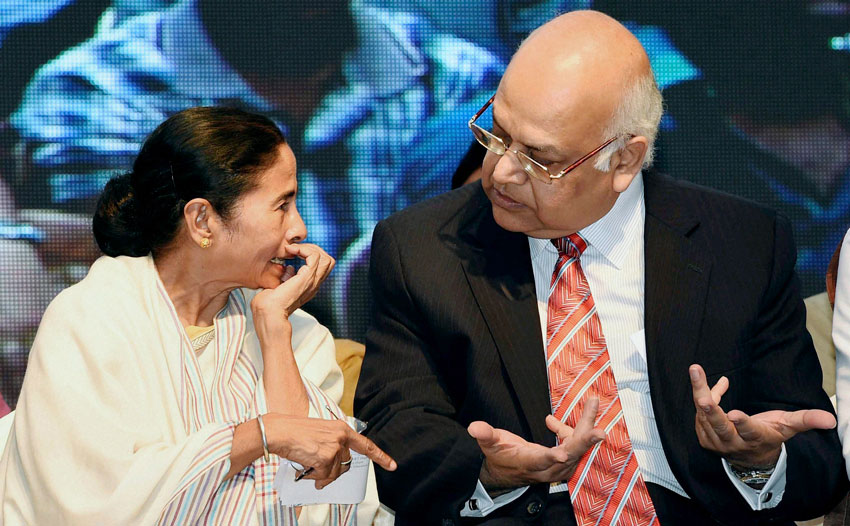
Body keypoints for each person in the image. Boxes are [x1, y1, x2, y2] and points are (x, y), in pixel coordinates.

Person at [355, 10, 847, 525]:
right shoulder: (421, 248)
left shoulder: (742, 243)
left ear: (624, 160)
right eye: (496, 133)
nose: (500, 172)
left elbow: (814, 454)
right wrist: (488, 472)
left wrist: (759, 461)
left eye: (539, 159)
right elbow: (395, 431)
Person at [0, 107, 396, 525]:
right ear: (202, 221)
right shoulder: (90, 321)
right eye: (282, 206)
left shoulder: (295, 330)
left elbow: (326, 500)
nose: (299, 228)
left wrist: (274, 333)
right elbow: (89, 508)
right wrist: (258, 435)